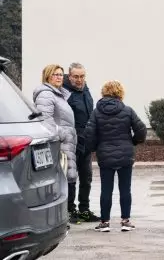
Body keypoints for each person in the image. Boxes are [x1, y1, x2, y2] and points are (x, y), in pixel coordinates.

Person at [83, 80, 147, 232]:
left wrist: (94, 148)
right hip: (126, 155)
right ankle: (125, 221)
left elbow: (89, 134)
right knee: (125, 189)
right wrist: (133, 142)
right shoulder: (128, 110)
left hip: (105, 155)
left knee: (106, 189)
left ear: (104, 93)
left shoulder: (96, 112)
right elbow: (142, 130)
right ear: (120, 93)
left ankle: (105, 222)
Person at [33, 65, 79, 222]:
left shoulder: (59, 95)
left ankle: (64, 215)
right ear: (47, 76)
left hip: (66, 145)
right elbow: (46, 121)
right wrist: (64, 134)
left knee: (67, 179)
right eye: (55, 74)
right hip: (58, 146)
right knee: (60, 181)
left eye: (61, 74)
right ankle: (58, 218)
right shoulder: (46, 94)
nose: (59, 77)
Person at [62, 62, 100, 223]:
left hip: (86, 141)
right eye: (76, 76)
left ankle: (84, 209)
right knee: (71, 177)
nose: (79, 80)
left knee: (86, 177)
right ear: (69, 76)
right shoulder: (64, 93)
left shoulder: (86, 90)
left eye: (82, 76)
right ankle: (70, 210)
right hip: (71, 142)